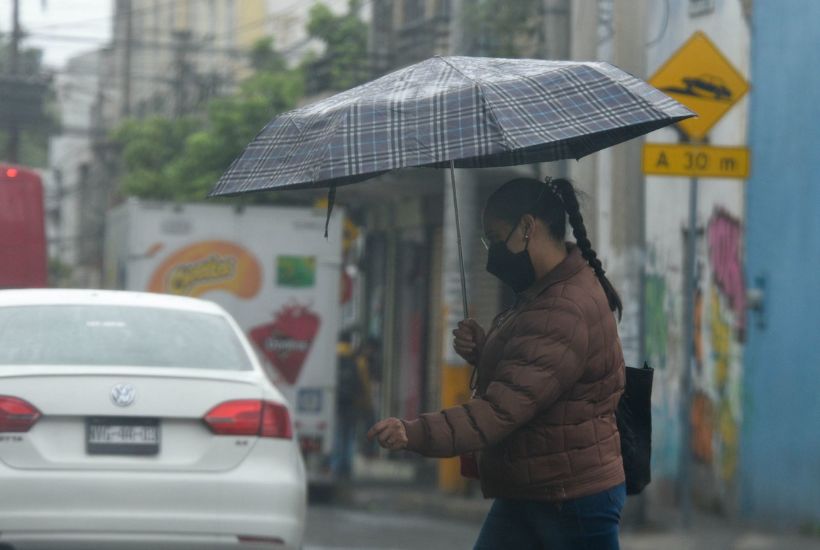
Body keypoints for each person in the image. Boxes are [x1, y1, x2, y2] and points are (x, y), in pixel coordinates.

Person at [368, 177, 627, 549]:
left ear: (527, 228)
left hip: (569, 499)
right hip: (536, 485)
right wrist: (486, 350)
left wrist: (415, 433)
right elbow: (537, 371)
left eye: (494, 238)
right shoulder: (551, 289)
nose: (492, 251)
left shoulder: (561, 307)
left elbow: (502, 408)